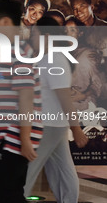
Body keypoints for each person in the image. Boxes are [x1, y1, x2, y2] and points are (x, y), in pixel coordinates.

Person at [0, 0, 43, 203]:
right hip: (10, 138)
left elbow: (26, 96)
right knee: (5, 192)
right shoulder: (12, 51)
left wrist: (25, 139)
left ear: (5, 23)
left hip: (17, 137)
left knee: (6, 193)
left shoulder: (18, 51)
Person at [24, 17, 88, 202]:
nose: (31, 37)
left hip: (48, 126)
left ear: (46, 36)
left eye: (34, 33)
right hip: (51, 125)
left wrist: (76, 129)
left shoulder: (55, 60)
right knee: (62, 169)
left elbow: (64, 98)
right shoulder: (46, 58)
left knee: (27, 169)